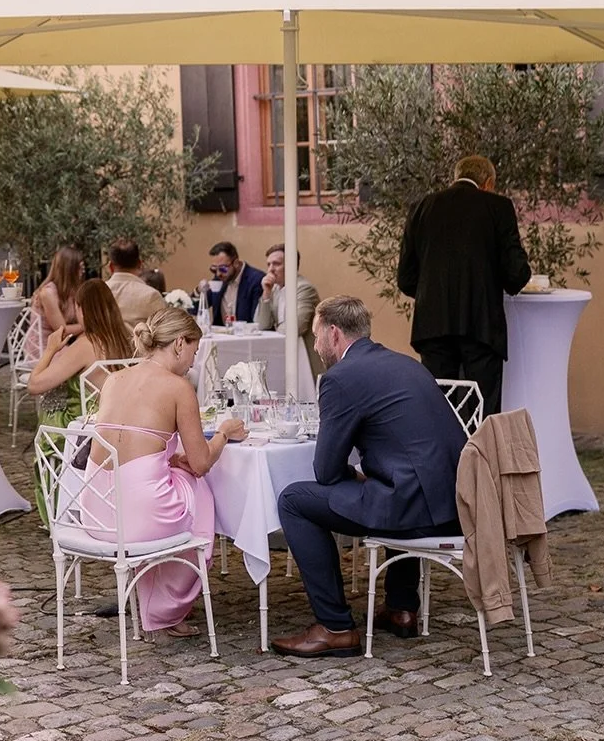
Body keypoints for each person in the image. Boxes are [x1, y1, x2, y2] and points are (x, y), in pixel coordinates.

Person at [272, 295, 466, 658]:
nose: (315, 346)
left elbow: (325, 472)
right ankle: (402, 608)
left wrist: (355, 475)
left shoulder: (340, 378)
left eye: (315, 337)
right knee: (386, 488)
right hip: (456, 504)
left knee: (294, 500)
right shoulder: (406, 364)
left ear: (333, 333)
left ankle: (334, 627)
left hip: (413, 512)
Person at [85, 307, 247, 635]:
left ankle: (156, 604)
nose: (192, 362)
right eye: (193, 351)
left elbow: (128, 442)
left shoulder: (114, 379)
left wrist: (170, 460)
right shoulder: (177, 387)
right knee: (199, 492)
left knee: (178, 480)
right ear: (178, 344)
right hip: (136, 518)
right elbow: (202, 463)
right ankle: (165, 610)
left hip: (96, 511)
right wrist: (224, 433)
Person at [396, 154, 532, 418]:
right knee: (483, 412)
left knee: (437, 409)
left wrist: (433, 294)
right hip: (481, 324)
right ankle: (481, 459)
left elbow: (406, 278)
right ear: (489, 183)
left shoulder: (422, 207)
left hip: (432, 326)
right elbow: (516, 273)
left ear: (455, 178)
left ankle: (442, 459)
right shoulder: (498, 207)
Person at [26, 279, 134, 412]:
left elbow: (34, 386)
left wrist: (50, 349)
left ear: (81, 310)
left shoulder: (86, 345)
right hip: (124, 416)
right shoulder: (126, 336)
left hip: (89, 425)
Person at [254, 245, 321, 383]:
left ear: (291, 265)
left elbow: (297, 326)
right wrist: (266, 293)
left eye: (276, 264)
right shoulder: (275, 288)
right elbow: (261, 325)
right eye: (268, 264)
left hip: (305, 356)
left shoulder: (304, 288)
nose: (270, 269)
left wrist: (277, 329)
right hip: (283, 354)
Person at [28, 245, 84, 358]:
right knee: (85, 355)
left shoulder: (72, 291)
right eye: (80, 268)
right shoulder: (48, 293)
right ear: (70, 269)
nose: (82, 272)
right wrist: (89, 325)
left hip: (63, 344)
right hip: (45, 348)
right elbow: (62, 331)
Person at [198, 241, 264, 326]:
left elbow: (257, 321)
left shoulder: (256, 280)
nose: (218, 274)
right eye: (214, 269)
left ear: (236, 263)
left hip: (246, 336)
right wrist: (199, 291)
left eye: (223, 269)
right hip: (222, 335)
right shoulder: (219, 279)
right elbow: (194, 308)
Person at [105, 241, 167, 327]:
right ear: (140, 264)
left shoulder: (96, 294)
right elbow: (165, 334)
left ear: (111, 266)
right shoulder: (151, 296)